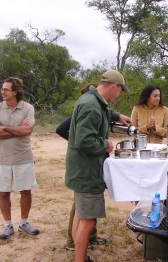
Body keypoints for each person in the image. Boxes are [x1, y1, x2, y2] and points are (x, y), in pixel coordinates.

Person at [65, 70, 130, 262]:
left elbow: (104, 112)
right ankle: (79, 259)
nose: (118, 95)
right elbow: (83, 141)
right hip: (87, 171)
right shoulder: (91, 106)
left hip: (82, 168)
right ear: (113, 86)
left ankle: (79, 257)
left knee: (81, 214)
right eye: (119, 91)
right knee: (88, 220)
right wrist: (106, 145)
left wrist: (118, 116)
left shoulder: (93, 101)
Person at [56, 84, 107, 251]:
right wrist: (74, 140)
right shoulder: (88, 109)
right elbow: (62, 129)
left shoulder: (94, 108)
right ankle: (72, 243)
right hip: (83, 165)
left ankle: (88, 238)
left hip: (86, 164)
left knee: (84, 209)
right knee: (80, 208)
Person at [0, 77, 40, 240]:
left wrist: (4, 127)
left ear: (15, 92)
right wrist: (17, 129)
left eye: (6, 89)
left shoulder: (28, 108)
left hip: (23, 157)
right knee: (3, 193)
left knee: (26, 191)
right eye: (2, 89)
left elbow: (27, 131)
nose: (2, 92)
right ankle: (7, 225)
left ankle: (24, 223)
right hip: (1, 158)